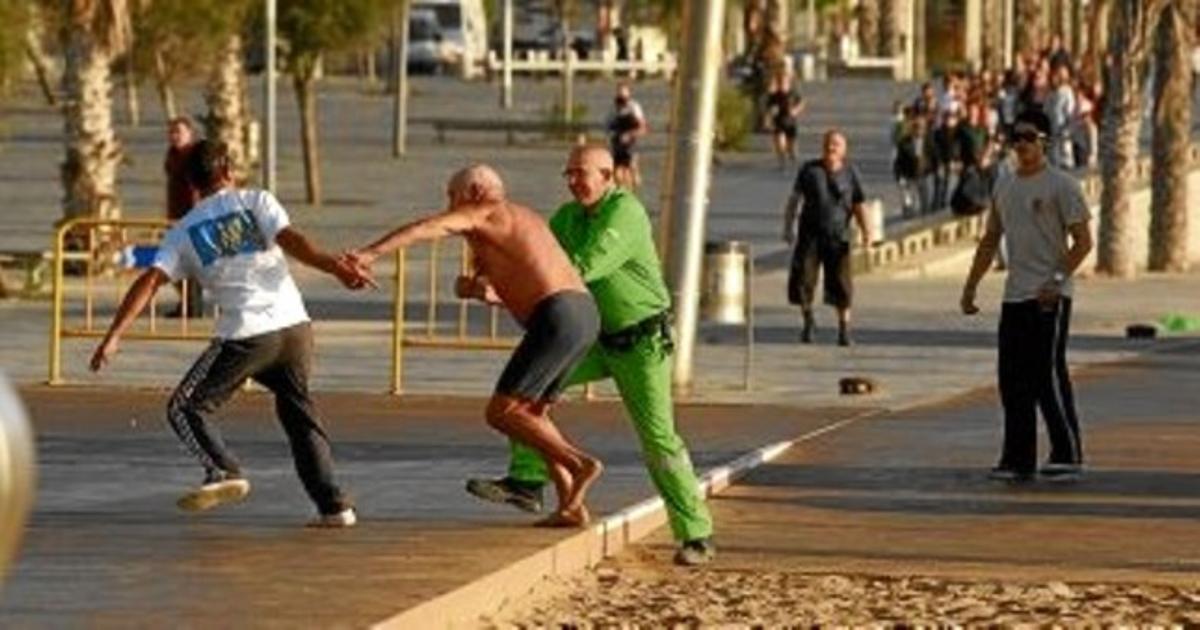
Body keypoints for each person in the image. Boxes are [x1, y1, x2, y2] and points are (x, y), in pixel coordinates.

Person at [89, 140, 369, 526]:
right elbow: (292, 241)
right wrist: (333, 267)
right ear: (229, 172)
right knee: (299, 414)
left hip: (247, 335)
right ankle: (334, 507)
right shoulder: (257, 201)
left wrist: (114, 335)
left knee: (185, 407)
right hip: (295, 329)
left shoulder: (184, 231)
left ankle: (223, 469)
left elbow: (150, 281)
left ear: (192, 184)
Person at [463, 146, 716, 566]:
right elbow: (535, 258)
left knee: (658, 439)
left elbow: (582, 267)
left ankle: (696, 533)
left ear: (609, 176)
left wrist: (521, 280)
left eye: (582, 174)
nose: (574, 182)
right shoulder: (565, 217)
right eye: (569, 174)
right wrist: (491, 279)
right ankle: (527, 481)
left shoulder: (626, 214)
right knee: (525, 390)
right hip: (595, 338)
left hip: (641, 346)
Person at [349, 166, 604, 527]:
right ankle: (571, 506)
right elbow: (520, 279)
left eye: (451, 196)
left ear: (474, 191)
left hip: (558, 315)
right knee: (533, 416)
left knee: (501, 413)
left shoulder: (486, 210)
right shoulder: (523, 218)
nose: (449, 206)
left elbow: (425, 228)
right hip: (582, 314)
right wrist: (479, 288)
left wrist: (370, 253)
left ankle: (581, 465)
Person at [959, 109, 1093, 483]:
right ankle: (1018, 458)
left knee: (1046, 374)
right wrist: (971, 285)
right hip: (1015, 296)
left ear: (1044, 141)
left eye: (1029, 137)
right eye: (1016, 137)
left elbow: (1084, 241)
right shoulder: (1005, 185)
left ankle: (1067, 453)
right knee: (1011, 378)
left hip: (1051, 295)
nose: (1022, 144)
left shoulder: (1062, 185)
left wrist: (1055, 279)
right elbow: (990, 240)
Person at [782, 129, 870, 346]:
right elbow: (794, 200)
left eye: (836, 144)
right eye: (828, 143)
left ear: (844, 150)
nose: (831, 148)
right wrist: (788, 226)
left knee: (842, 284)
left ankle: (844, 329)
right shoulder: (809, 170)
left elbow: (859, 205)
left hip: (838, 237)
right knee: (804, 279)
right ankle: (808, 321)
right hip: (810, 235)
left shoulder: (851, 173)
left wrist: (867, 232)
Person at [163, 117, 203, 318]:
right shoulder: (172, 155)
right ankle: (188, 303)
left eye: (179, 131)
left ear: (190, 134)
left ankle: (192, 305)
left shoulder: (193, 156)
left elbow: (196, 190)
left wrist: (194, 217)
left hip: (191, 218)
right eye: (171, 132)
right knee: (176, 263)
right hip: (175, 216)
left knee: (185, 262)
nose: (174, 136)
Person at [606, 82, 648, 189]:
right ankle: (622, 192)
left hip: (631, 143)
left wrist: (629, 135)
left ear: (629, 94)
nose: (621, 96)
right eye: (619, 93)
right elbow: (608, 126)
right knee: (617, 173)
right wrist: (613, 135)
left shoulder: (634, 107)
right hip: (617, 143)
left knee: (633, 169)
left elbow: (643, 127)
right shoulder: (613, 108)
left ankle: (634, 193)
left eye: (624, 93)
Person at [765, 72, 805, 170]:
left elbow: (802, 102)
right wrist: (769, 117)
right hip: (778, 122)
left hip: (790, 123)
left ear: (788, 83)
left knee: (791, 147)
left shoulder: (793, 93)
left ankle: (793, 157)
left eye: (784, 82)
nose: (782, 85)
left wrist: (796, 110)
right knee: (780, 143)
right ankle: (782, 161)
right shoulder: (774, 95)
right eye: (780, 83)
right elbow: (768, 108)